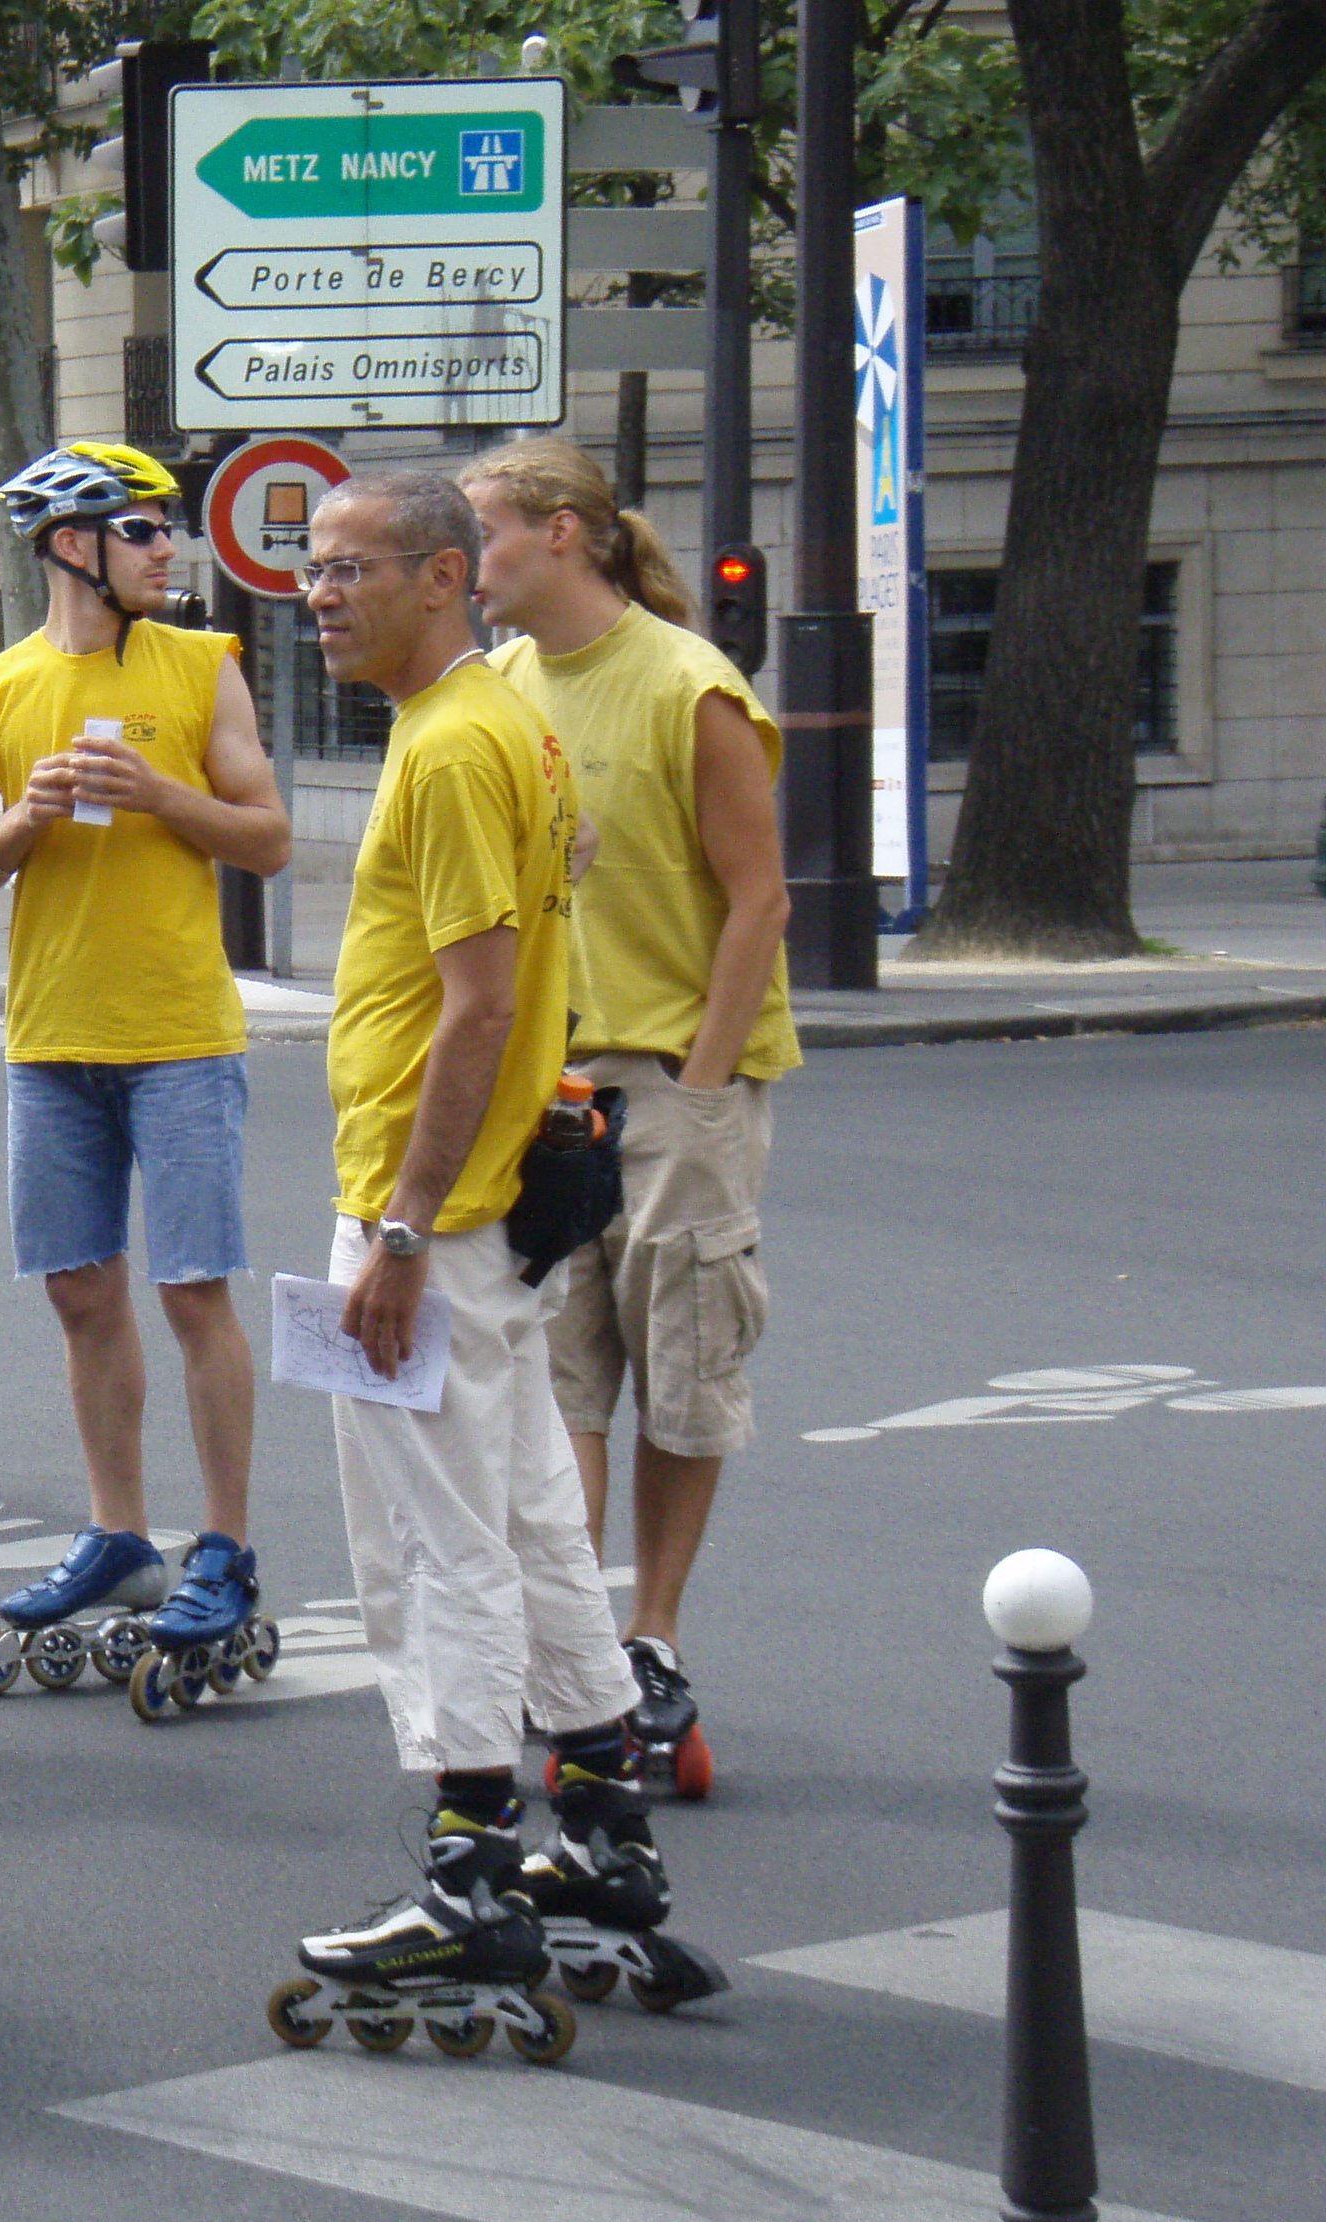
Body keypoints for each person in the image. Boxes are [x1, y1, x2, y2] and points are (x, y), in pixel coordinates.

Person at [287, 468, 667, 2009]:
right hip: (491, 1200)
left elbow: (481, 1003)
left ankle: (466, 1871)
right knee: (530, 1527)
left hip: (423, 1212)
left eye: (348, 568)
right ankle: (604, 1829)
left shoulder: (453, 747)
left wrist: (393, 1227)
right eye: (311, 572)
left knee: (427, 1546)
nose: (317, 594)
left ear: (443, 577)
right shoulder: (513, 726)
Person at [460, 438, 793, 1762]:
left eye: (481, 534)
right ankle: (580, 1653)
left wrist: (705, 1085)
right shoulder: (499, 687)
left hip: (674, 1076)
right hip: (551, 1084)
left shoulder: (688, 683)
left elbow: (760, 899)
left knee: (685, 1374)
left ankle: (652, 1633)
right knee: (562, 1385)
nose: (465, 562)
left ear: (564, 535)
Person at [0, 442, 290, 1658]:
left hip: (178, 1031)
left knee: (194, 1292)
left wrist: (157, 794)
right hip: (52, 1039)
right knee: (84, 1294)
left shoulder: (203, 668)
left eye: (169, 529)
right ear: (70, 545)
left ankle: (225, 1549)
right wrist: (23, 822)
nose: (168, 548)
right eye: (143, 530)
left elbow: (268, 839)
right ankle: (120, 1533)